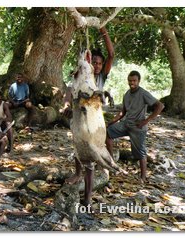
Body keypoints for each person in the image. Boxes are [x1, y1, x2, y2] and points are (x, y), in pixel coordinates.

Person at [62, 26, 115, 184]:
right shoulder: (82, 74)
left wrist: (103, 30)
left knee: (99, 142)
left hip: (95, 118)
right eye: (95, 63)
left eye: (100, 63)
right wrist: (66, 105)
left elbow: (111, 54)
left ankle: (106, 167)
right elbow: (70, 90)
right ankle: (78, 173)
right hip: (80, 115)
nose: (97, 66)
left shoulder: (101, 77)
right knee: (79, 143)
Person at [106, 70, 164, 183]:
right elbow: (122, 112)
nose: (132, 83)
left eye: (134, 81)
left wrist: (146, 120)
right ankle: (111, 162)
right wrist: (111, 122)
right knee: (108, 132)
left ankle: (143, 177)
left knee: (140, 152)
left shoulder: (143, 93)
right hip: (126, 124)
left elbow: (160, 106)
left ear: (138, 81)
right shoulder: (127, 94)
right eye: (130, 80)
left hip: (138, 127)